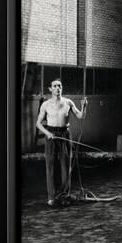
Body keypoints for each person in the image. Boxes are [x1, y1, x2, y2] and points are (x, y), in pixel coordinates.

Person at [36, 79, 87, 207]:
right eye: (55, 86)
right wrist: (47, 133)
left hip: (65, 134)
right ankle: (52, 197)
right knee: (50, 166)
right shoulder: (46, 105)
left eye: (59, 86)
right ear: (50, 89)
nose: (58, 88)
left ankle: (65, 195)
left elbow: (81, 116)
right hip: (51, 135)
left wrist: (84, 106)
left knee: (66, 166)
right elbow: (38, 124)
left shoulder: (68, 102)